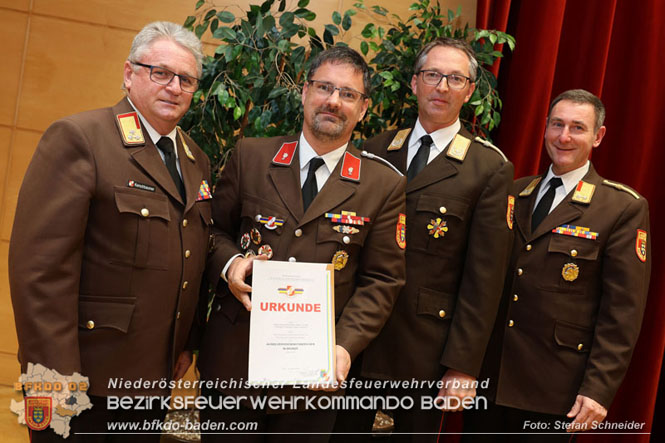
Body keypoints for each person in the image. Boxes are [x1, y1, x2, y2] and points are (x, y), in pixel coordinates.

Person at [192, 46, 406, 441]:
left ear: (363, 109)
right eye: (324, 87)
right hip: (235, 362)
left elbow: (382, 280)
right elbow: (209, 231)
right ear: (304, 92)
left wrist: (344, 346)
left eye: (348, 94)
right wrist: (230, 264)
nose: (333, 101)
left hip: (313, 380)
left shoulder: (383, 185)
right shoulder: (252, 156)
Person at [9, 21, 210, 442]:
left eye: (186, 79)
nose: (174, 86)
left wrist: (184, 345)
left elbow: (192, 261)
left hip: (150, 382)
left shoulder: (196, 161)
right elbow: (40, 274)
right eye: (160, 72)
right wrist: (56, 380)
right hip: (82, 377)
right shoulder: (82, 138)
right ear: (129, 73)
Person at [333, 37, 514, 440]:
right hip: (357, 340)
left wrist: (464, 366)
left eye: (455, 78)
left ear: (469, 91)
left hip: (428, 351)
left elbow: (485, 280)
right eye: (432, 75)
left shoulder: (488, 167)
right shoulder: (375, 150)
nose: (442, 86)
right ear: (414, 83)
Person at [463, 89, 651, 441]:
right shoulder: (514, 192)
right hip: (490, 379)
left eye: (577, 128)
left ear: (598, 136)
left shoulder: (621, 208)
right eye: (557, 125)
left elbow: (622, 314)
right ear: (545, 129)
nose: (564, 137)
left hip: (553, 388)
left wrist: (598, 389)